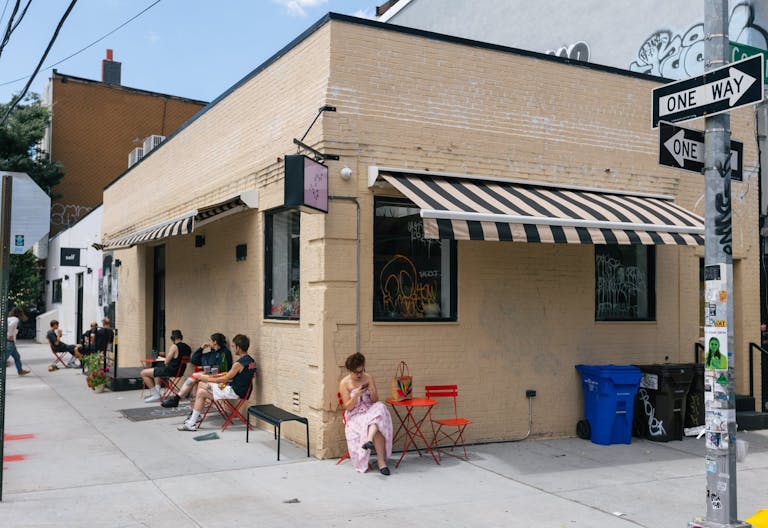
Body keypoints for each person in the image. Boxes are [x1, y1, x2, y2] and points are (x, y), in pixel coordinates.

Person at [178, 334, 255, 431]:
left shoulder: (238, 364)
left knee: (201, 385)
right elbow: (245, 376)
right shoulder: (252, 361)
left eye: (233, 346)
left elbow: (224, 379)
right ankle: (192, 422)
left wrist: (205, 378)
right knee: (201, 390)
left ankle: (192, 420)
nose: (232, 348)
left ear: (238, 347)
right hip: (243, 391)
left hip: (234, 391)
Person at [339, 352, 393, 475]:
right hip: (355, 414)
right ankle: (381, 463)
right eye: (356, 372)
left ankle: (369, 441)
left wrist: (372, 391)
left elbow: (375, 401)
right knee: (376, 425)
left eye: (361, 371)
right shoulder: (344, 383)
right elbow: (347, 406)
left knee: (380, 407)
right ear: (350, 370)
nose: (359, 375)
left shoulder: (368, 377)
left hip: (370, 410)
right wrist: (356, 395)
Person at [161, 332, 233, 408]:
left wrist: (208, 371)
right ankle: (191, 410)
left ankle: (178, 400)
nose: (208, 342)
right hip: (209, 377)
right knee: (194, 382)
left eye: (210, 340)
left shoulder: (224, 353)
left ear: (215, 342)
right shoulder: (210, 354)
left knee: (195, 378)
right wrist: (201, 348)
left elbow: (223, 369)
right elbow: (194, 360)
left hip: (220, 380)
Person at [141, 329, 192, 403]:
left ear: (172, 338)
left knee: (143, 373)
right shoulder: (188, 348)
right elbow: (188, 360)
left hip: (171, 371)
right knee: (157, 370)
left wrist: (166, 359)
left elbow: (166, 362)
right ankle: (157, 391)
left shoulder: (174, 346)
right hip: (180, 371)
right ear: (181, 337)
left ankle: (155, 395)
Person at [6, 307, 30, 376]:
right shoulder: (16, 319)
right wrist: (10, 334)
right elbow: (11, 326)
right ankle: (20, 371)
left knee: (17, 357)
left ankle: (20, 371)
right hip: (10, 342)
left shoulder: (8, 319)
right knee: (3, 359)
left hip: (10, 342)